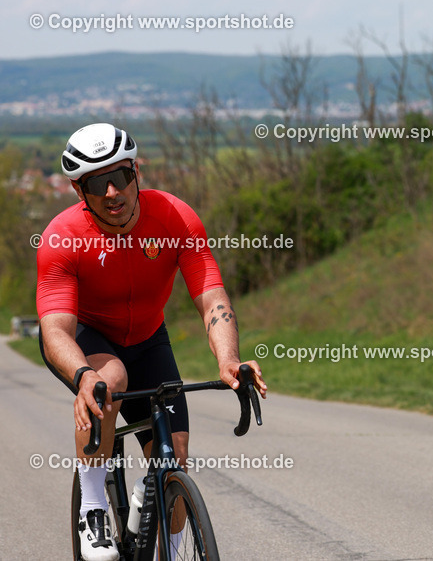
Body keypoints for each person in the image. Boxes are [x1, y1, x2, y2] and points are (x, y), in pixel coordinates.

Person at [36, 123, 268, 561]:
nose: (112, 192)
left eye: (120, 177)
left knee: (174, 468)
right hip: (88, 341)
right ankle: (93, 506)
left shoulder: (175, 217)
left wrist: (228, 360)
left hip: (148, 338)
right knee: (112, 378)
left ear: (136, 171)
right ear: (78, 190)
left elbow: (211, 296)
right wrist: (84, 375)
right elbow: (55, 331)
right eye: (96, 183)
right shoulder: (61, 238)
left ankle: (160, 518)